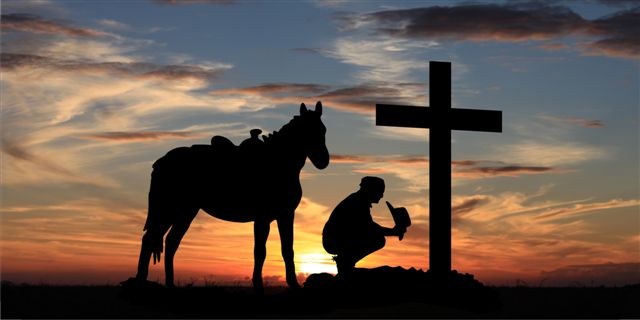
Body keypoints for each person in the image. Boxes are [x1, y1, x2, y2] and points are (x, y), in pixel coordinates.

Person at [322, 176, 406, 275]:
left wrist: (392, 231)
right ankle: (345, 262)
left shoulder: (359, 201)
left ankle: (346, 262)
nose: (382, 195)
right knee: (377, 240)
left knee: (376, 238)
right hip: (335, 240)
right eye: (380, 191)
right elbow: (370, 227)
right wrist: (393, 232)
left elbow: (368, 226)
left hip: (338, 238)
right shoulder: (358, 203)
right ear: (371, 190)